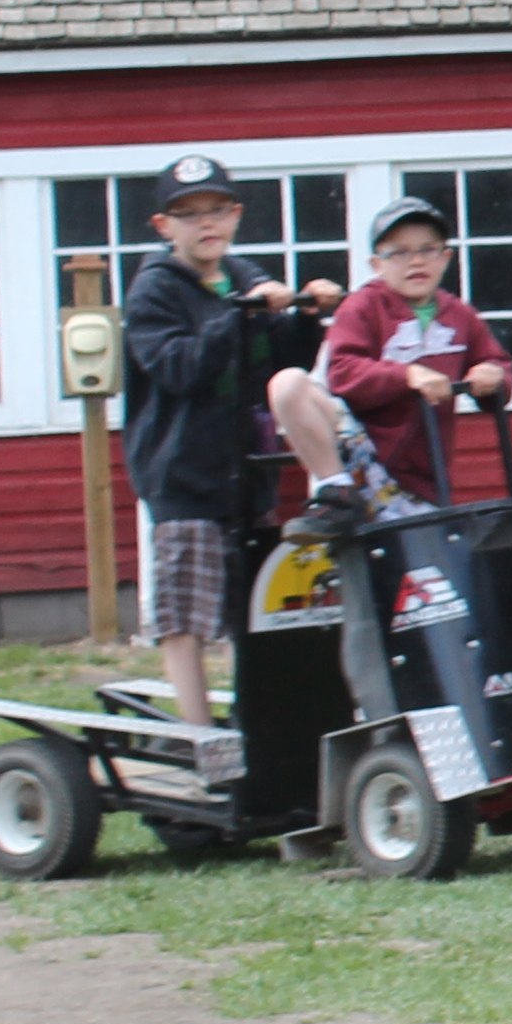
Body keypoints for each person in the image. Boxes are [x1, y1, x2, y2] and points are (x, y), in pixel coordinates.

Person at [115, 153, 336, 729]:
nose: (205, 224)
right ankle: (198, 732)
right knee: (186, 612)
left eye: (216, 210)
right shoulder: (153, 292)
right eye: (188, 215)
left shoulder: (243, 275)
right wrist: (237, 317)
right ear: (165, 227)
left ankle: (254, 721)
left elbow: (282, 365)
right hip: (183, 476)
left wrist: (308, 316)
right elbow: (179, 369)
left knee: (253, 609)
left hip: (249, 473)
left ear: (235, 215)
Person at [309, 198, 512, 509]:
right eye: (399, 253)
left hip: (426, 473)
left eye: (427, 250)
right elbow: (342, 370)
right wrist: (406, 375)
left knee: (429, 550)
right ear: (377, 265)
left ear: (445, 257)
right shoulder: (362, 308)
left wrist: (492, 375)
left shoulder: (460, 315)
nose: (416, 262)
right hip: (363, 461)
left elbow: (496, 364)